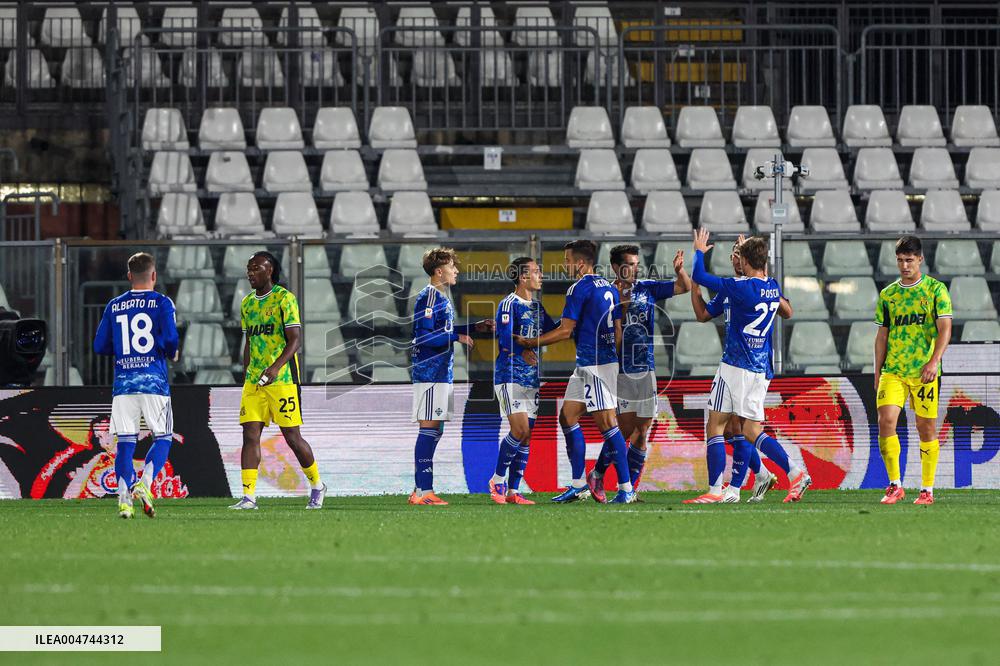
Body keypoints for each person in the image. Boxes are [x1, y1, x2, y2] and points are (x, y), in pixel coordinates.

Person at [686, 229, 811, 504]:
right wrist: (749, 253)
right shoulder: (772, 287)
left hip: (737, 366)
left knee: (725, 426)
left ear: (744, 260)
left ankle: (722, 489)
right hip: (754, 368)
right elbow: (706, 312)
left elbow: (700, 275)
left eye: (738, 254)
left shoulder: (737, 287)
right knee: (741, 429)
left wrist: (698, 251)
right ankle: (790, 474)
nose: (735, 258)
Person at [516, 240, 634, 504]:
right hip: (595, 363)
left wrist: (530, 342)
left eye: (568, 260)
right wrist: (610, 358)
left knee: (608, 424)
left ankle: (626, 488)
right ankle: (579, 485)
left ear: (580, 263)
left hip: (594, 364)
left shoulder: (578, 288)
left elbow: (565, 331)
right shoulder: (609, 287)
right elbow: (617, 330)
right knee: (567, 416)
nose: (565, 265)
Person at [586, 244, 690, 502]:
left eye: (636, 264)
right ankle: (598, 473)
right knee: (623, 430)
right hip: (620, 370)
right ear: (615, 267)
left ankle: (630, 490)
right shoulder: (607, 295)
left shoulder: (647, 288)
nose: (635, 269)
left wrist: (680, 270)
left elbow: (684, 287)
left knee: (642, 431)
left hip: (646, 369)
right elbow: (606, 335)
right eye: (629, 265)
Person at [230, 251, 326, 510]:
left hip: (282, 379)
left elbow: (295, 340)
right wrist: (247, 373)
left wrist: (274, 368)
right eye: (248, 268)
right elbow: (249, 341)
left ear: (270, 270)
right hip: (255, 380)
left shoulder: (285, 298)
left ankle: (317, 485)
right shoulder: (247, 303)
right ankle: (249, 497)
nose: (250, 272)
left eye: (256, 268)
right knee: (250, 435)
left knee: (292, 437)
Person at [93, 252, 179, 519]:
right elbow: (171, 339)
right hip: (154, 382)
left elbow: (99, 346)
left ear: (129, 276)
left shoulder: (114, 305)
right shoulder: (162, 302)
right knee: (163, 437)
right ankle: (145, 483)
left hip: (124, 385)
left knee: (125, 443)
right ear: (154, 275)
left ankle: (124, 500)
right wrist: (169, 351)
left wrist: (123, 350)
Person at [410, 248, 494, 505]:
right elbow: (424, 337)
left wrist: (473, 328)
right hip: (429, 372)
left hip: (440, 372)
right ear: (439, 271)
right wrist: (457, 337)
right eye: (451, 267)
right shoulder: (428, 297)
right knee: (429, 428)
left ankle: (419, 488)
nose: (456, 270)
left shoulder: (440, 296)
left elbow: (442, 330)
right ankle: (424, 491)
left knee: (436, 429)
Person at [874, 235, 952, 505]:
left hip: (924, 372)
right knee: (885, 421)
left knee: (925, 427)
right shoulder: (888, 295)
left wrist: (934, 361)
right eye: (900, 260)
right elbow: (882, 335)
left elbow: (945, 329)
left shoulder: (935, 290)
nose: (905, 265)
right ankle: (895, 485)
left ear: (920, 259)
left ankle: (927, 489)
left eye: (909, 260)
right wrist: (877, 371)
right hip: (893, 370)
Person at [488, 257, 558, 505]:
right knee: (519, 430)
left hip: (531, 378)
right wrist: (523, 349)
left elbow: (553, 330)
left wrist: (575, 318)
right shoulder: (509, 304)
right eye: (536, 271)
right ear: (523, 276)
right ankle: (497, 480)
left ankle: (513, 491)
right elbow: (504, 338)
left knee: (527, 436)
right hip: (510, 375)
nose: (541, 275)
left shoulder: (537, 307)